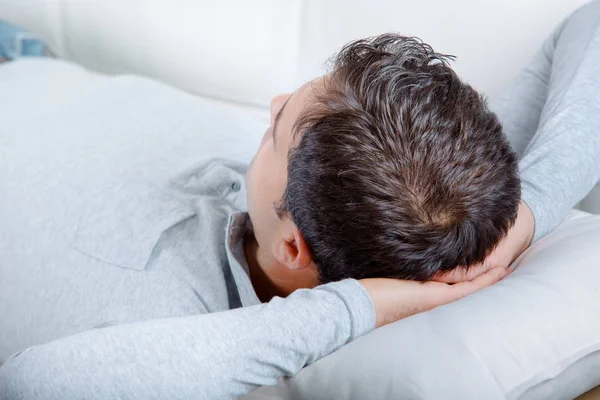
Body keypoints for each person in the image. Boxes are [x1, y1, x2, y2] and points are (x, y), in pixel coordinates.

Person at [1, 0, 599, 397]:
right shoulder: (431, 193)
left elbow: (32, 385)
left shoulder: (172, 334)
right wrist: (529, 212)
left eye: (275, 128)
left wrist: (354, 308)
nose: (273, 102)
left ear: (293, 246)